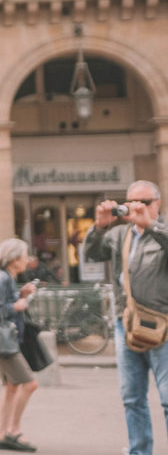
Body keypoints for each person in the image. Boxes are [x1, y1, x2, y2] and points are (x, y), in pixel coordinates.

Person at [84, 180, 168, 455]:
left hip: (164, 325)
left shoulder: (163, 231)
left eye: (144, 202)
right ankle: (139, 451)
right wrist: (99, 226)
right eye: (131, 201)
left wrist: (150, 225)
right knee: (132, 398)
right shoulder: (121, 235)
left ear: (157, 204)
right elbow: (92, 254)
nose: (136, 207)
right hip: (126, 324)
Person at [0, 239, 39, 452]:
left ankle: (3, 434)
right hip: (4, 341)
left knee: (11, 387)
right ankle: (13, 431)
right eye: (24, 256)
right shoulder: (2, 279)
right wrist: (16, 306)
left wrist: (21, 295)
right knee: (30, 384)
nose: (26, 259)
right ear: (14, 260)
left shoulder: (8, 278)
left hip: (7, 340)